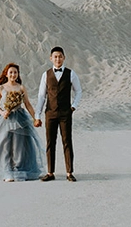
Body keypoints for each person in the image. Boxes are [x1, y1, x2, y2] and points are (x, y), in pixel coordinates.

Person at [34, 46, 82, 182]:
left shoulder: (71, 73)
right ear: (51, 58)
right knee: (50, 142)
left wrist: (73, 107)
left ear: (64, 58)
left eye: (60, 56)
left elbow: (78, 91)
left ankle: (69, 172)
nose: (58, 59)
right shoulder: (46, 74)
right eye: (55, 56)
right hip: (50, 113)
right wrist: (37, 115)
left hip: (65, 114)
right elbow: (41, 96)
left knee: (67, 141)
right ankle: (50, 172)